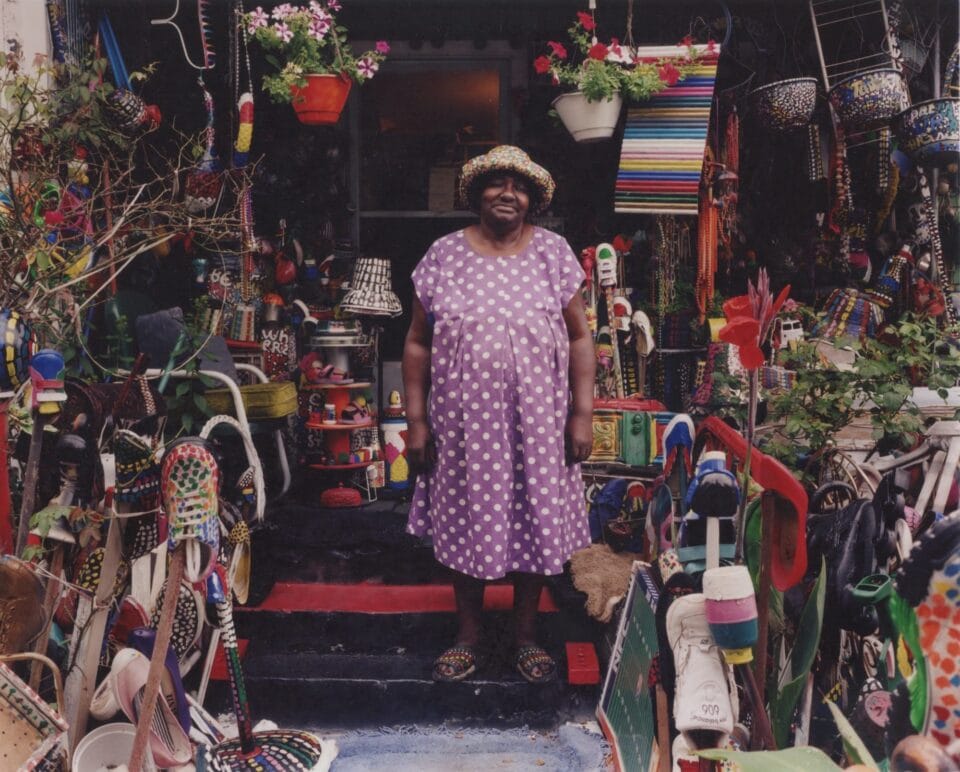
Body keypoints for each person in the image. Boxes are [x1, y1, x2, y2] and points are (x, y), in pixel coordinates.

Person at [402, 145, 594, 684]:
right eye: (496, 182)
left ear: (532, 200)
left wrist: (583, 414)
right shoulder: (443, 255)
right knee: (469, 515)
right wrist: (416, 422)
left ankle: (525, 636)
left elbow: (580, 337)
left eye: (520, 185)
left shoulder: (554, 253)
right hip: (463, 428)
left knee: (534, 514)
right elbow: (417, 344)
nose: (508, 192)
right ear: (475, 194)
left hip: (540, 424)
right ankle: (468, 635)